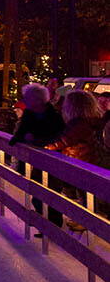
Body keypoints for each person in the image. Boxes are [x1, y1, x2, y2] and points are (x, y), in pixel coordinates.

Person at [45, 89, 104, 232]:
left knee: (85, 193)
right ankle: (85, 219)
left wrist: (45, 146)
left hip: (81, 161)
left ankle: (86, 220)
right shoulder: (90, 121)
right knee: (85, 193)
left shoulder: (78, 123)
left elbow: (63, 140)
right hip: (87, 160)